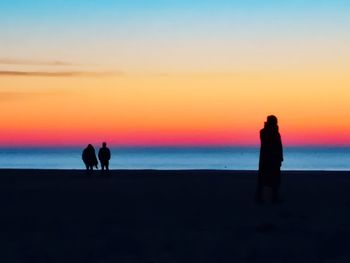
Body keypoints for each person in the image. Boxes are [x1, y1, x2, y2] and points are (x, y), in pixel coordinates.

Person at [256, 115, 283, 203]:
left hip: (270, 159)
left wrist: (280, 157)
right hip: (268, 159)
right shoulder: (266, 132)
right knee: (265, 180)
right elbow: (277, 145)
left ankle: (273, 198)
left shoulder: (271, 132)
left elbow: (279, 146)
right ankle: (262, 198)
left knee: (273, 180)